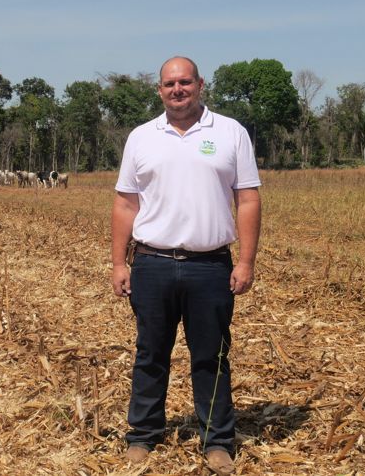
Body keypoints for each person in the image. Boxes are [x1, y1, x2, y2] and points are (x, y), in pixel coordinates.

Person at [111, 56, 261, 475]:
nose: (177, 90)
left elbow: (248, 199)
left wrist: (246, 261)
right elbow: (125, 203)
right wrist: (118, 262)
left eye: (185, 82)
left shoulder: (230, 132)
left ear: (200, 84)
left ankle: (217, 441)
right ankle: (143, 435)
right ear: (159, 89)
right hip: (152, 263)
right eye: (169, 84)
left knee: (211, 356)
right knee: (150, 353)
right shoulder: (142, 137)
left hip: (210, 266)